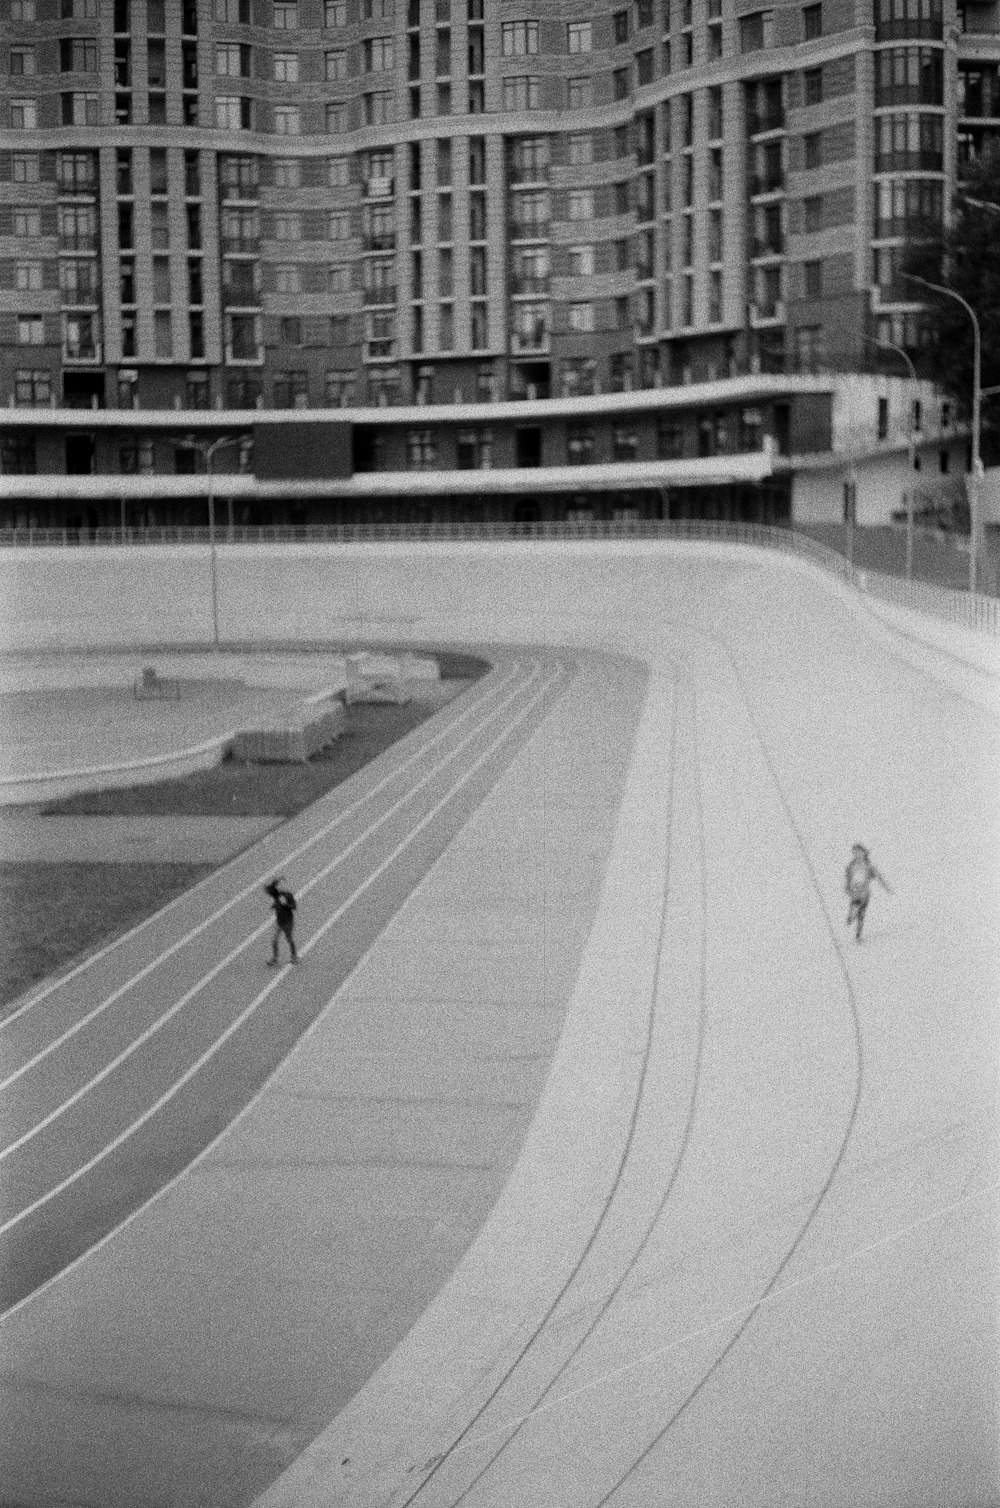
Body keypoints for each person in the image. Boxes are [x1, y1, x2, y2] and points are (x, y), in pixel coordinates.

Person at [844, 844, 892, 942]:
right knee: (854, 908)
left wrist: (886, 887)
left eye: (859, 852)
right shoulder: (851, 865)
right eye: (855, 853)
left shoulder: (869, 866)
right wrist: (847, 887)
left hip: (864, 892)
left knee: (861, 913)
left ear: (864, 853)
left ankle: (858, 935)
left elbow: (879, 877)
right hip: (855, 892)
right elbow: (848, 877)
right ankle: (851, 917)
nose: (857, 854)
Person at [264, 876, 299, 965]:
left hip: (288, 922)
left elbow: (294, 907)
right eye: (277, 886)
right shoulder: (276, 894)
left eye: (279, 886)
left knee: (289, 939)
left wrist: (286, 905)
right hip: (279, 922)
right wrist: (275, 881)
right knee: (274, 940)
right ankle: (274, 958)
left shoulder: (288, 895)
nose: (278, 888)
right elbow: (268, 889)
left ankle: (294, 956)